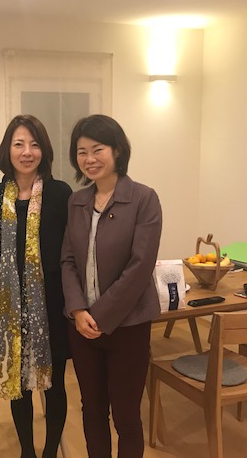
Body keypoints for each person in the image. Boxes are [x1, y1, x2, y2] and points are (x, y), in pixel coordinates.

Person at [61, 114, 162, 458]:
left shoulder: (144, 199)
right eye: (82, 152)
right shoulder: (76, 201)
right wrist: (78, 310)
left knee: (126, 415)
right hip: (81, 326)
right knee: (92, 410)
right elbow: (67, 260)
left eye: (98, 149)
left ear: (117, 150)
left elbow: (140, 266)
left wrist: (100, 316)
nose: (89, 159)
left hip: (128, 325)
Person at [0, 115, 72, 458]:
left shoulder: (60, 194)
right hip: (8, 306)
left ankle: (49, 452)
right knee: (17, 385)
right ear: (7, 150)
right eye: (18, 144)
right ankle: (27, 452)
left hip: (51, 305)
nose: (27, 152)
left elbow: (67, 253)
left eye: (34, 144)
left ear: (44, 150)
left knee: (55, 385)